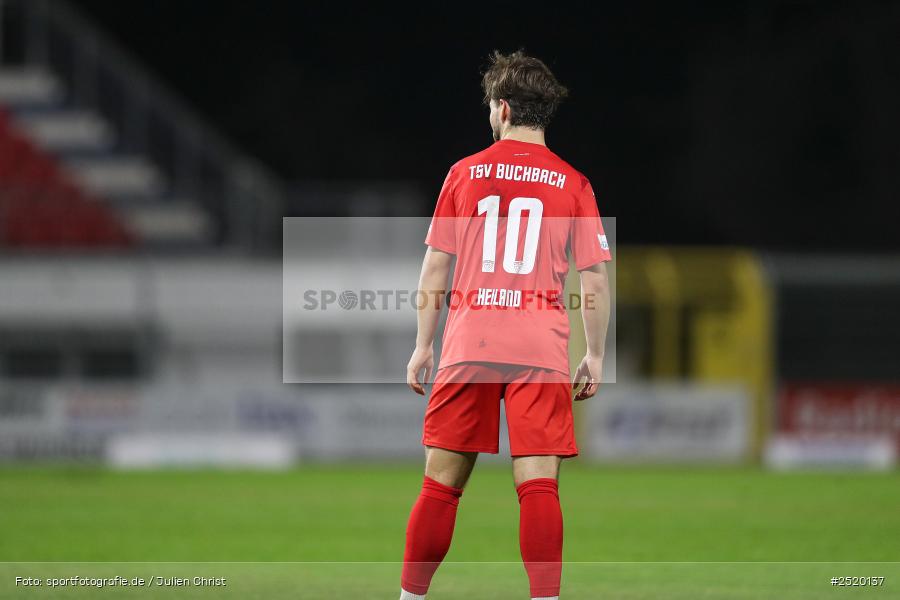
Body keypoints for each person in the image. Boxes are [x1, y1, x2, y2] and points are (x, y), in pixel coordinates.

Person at [401, 50, 612, 600]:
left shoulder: (463, 174)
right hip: (540, 346)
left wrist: (423, 344)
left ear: (501, 108)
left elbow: (437, 266)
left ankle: (409, 599)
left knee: (441, 485)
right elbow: (593, 282)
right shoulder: (573, 183)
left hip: (471, 340)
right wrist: (595, 356)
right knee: (538, 486)